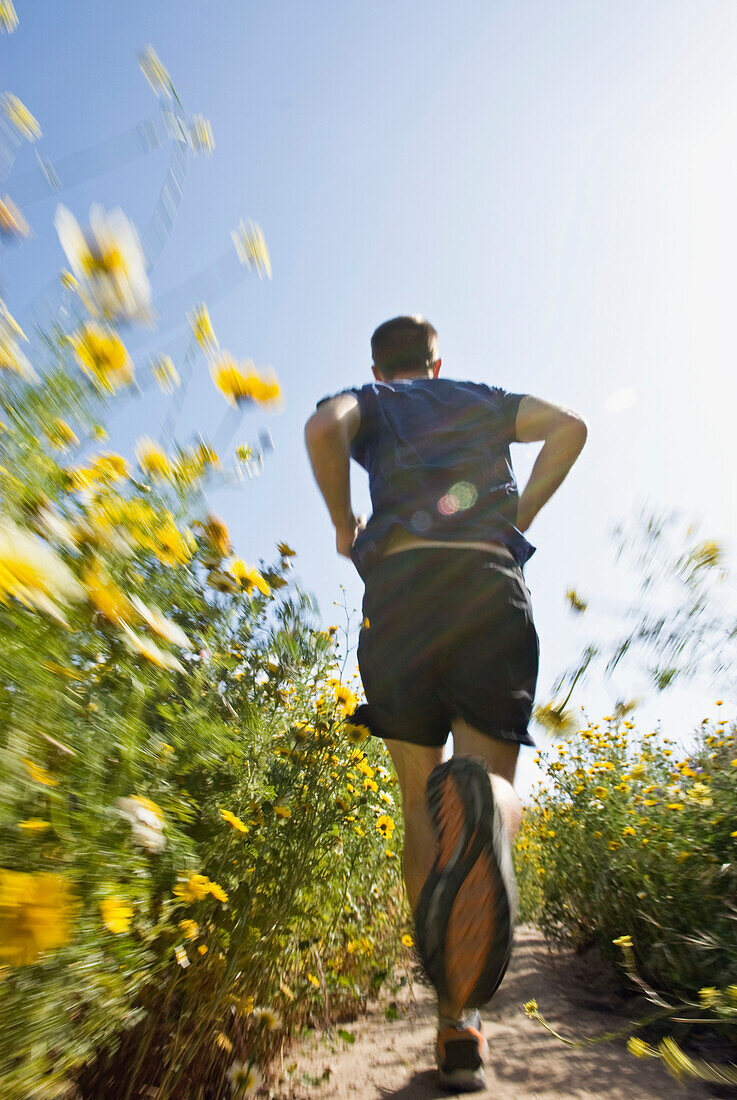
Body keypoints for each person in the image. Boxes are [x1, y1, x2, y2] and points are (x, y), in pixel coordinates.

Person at [304, 315, 587, 1091]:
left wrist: (342, 523)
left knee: (417, 801)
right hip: (486, 585)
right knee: (486, 783)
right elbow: (570, 427)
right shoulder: (480, 398)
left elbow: (322, 429)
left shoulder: (369, 400)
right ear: (436, 364)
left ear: (378, 364)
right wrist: (515, 518)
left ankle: (452, 1024)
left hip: (397, 594)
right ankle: (490, 811)